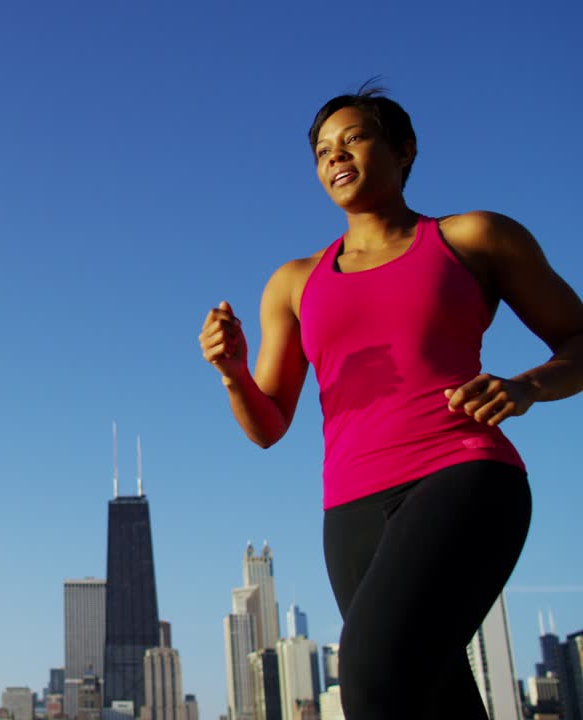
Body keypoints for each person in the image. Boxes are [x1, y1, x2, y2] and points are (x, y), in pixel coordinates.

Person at [198, 83, 583, 719]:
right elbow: (267, 426)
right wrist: (234, 373)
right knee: (431, 694)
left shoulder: (473, 237)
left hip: (461, 471)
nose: (336, 157)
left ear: (404, 151)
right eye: (323, 150)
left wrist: (528, 386)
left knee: (374, 675)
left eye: (354, 138)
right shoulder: (295, 282)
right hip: (349, 510)